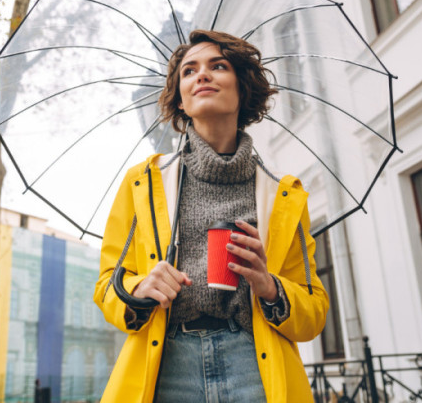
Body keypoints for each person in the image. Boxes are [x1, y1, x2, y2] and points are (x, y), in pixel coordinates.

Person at [93, 30, 329, 402]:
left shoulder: (283, 195)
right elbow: (107, 286)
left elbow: (314, 312)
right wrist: (139, 288)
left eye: (218, 66)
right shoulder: (143, 182)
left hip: (254, 362)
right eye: (189, 71)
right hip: (168, 363)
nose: (202, 75)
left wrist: (270, 287)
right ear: (181, 100)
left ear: (242, 89)